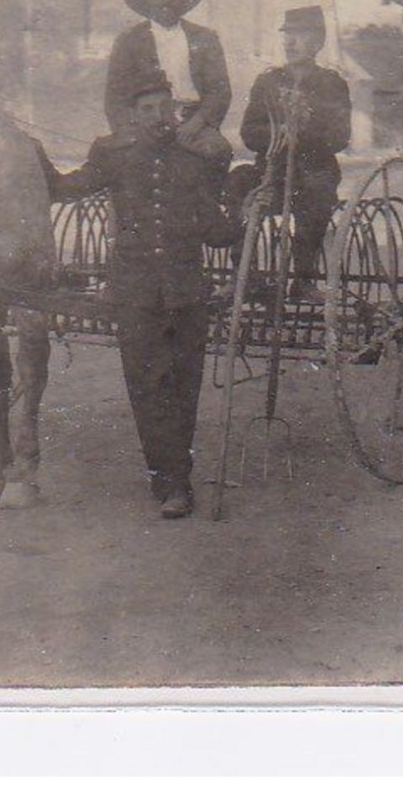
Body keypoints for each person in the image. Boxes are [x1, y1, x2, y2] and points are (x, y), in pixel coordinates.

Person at [46, 74, 243, 519]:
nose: (157, 117)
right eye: (147, 109)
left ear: (174, 109)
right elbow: (66, 188)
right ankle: (171, 480)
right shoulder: (115, 158)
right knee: (148, 388)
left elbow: (216, 231)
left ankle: (176, 476)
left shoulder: (193, 163)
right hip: (134, 293)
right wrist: (34, 158)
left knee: (183, 387)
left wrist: (245, 213)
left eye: (163, 107)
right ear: (133, 116)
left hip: (187, 294)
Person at [226, 6, 352, 302]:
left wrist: (305, 133)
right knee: (236, 183)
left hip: (313, 170)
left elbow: (340, 136)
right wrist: (279, 133)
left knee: (317, 194)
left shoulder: (332, 84)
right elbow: (249, 131)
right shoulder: (268, 81)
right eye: (287, 35)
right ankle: (244, 275)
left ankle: (304, 280)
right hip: (270, 169)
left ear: (318, 42)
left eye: (300, 34)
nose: (290, 42)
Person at [104, 0, 233, 166]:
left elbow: (219, 91)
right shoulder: (130, 40)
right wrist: (130, 132)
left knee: (218, 152)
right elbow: (115, 96)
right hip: (146, 124)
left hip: (192, 122)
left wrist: (196, 124)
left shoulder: (205, 38)